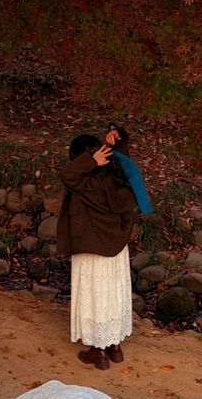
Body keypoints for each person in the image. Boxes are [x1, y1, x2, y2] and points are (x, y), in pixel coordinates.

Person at [56, 124, 138, 371]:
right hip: (115, 248)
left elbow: (67, 174)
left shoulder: (85, 182)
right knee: (112, 295)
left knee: (94, 296)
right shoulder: (116, 178)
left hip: (92, 248)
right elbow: (127, 168)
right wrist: (119, 144)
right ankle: (114, 347)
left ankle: (97, 351)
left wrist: (90, 161)